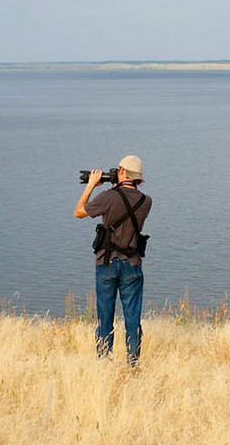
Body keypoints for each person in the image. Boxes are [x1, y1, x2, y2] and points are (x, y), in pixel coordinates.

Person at [74, 155, 152, 365]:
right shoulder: (146, 201)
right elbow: (128, 199)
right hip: (132, 265)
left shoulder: (108, 197)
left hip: (106, 264)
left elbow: (78, 212)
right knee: (132, 319)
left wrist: (91, 185)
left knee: (105, 319)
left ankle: (104, 362)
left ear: (123, 172)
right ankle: (133, 363)